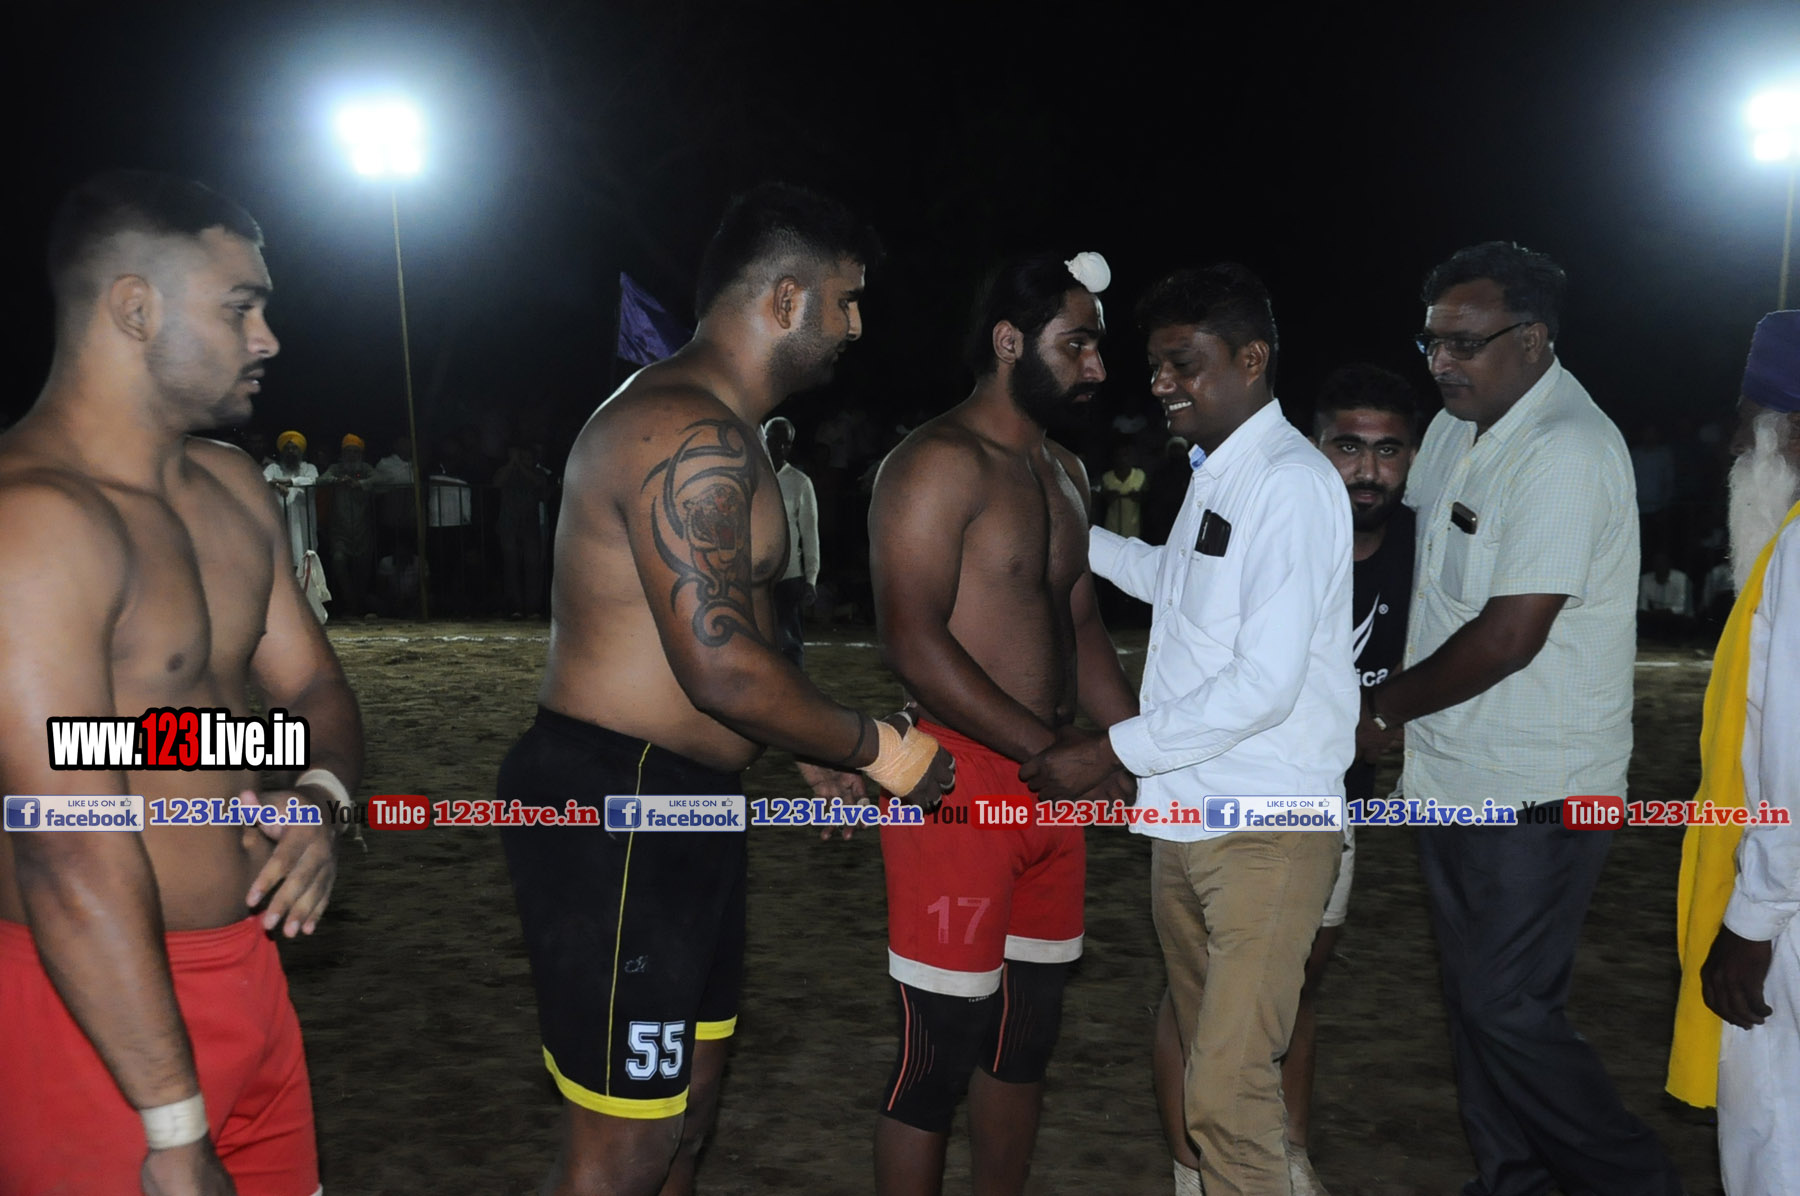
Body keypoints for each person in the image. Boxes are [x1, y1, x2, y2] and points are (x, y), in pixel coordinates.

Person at [495, 183, 954, 1196]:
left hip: (689, 799)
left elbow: (738, 639)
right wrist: (878, 746)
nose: (857, 327)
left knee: (687, 1115)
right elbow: (718, 664)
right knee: (624, 1146)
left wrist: (809, 741)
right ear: (786, 298)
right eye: (846, 299)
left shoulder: (725, 431)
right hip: (619, 801)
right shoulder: (680, 426)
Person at [0, 170, 362, 1195]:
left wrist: (320, 798)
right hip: (91, 1008)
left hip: (249, 974)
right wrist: (172, 1122)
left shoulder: (234, 487)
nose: (268, 339)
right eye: (240, 306)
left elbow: (310, 691)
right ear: (135, 307)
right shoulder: (32, 522)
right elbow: (65, 841)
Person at [1023, 263, 1356, 1196]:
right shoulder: (1220, 476)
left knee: (1226, 1096)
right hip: (1189, 821)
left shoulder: (1289, 483)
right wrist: (1060, 522)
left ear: (1252, 359)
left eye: (1184, 362)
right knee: (1213, 1065)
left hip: (1264, 829)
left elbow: (1263, 686)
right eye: (1157, 365)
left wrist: (1106, 751)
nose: (1162, 382)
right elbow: (1169, 580)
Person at [1357, 241, 1682, 1195]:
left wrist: (1380, 711)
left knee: (1507, 1007)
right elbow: (1406, 550)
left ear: (1533, 340)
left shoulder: (1566, 449)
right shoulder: (1457, 429)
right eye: (1431, 342)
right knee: (1477, 1005)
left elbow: (1509, 636)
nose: (1440, 362)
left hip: (1539, 790)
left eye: (1464, 343)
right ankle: (1512, 1183)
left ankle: (1636, 1183)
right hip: (1453, 771)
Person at [867, 251, 1138, 1196]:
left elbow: (1080, 626)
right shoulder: (934, 463)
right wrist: (1054, 750)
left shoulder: (1065, 469)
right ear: (1009, 341)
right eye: (1078, 346)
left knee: (1027, 1040)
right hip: (959, 782)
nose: (1097, 367)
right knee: (938, 1053)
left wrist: (1133, 747)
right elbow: (911, 641)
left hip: (1054, 785)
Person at [1669, 311, 1800, 1195]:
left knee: (1775, 1136)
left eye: (1749, 423)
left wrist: (1752, 926)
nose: (1735, 449)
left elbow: (1792, 759)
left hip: (1789, 914)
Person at [762, 415, 820, 665]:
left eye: (785, 442)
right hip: (755, 576)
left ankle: (794, 685)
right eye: (773, 440)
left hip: (789, 575)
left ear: (790, 445)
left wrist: (810, 578)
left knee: (790, 644)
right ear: (764, 439)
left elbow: (809, 532)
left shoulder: (800, 482)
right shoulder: (751, 475)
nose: (779, 446)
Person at [493, 441, 554, 619]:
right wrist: (512, 464)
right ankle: (515, 607)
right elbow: (497, 483)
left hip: (530, 525)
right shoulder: (506, 472)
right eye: (521, 457)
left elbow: (538, 484)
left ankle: (533, 608)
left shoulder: (538, 473)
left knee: (532, 566)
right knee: (511, 566)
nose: (523, 461)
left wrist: (519, 464)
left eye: (527, 458)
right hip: (508, 524)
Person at [321, 433, 377, 617]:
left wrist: (359, 484)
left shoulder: (366, 469)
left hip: (363, 530)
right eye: (348, 451)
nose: (351, 455)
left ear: (361, 454)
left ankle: (358, 607)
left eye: (355, 451)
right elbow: (320, 479)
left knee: (363, 570)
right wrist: (337, 480)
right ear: (342, 453)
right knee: (339, 560)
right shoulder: (336, 469)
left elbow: (380, 479)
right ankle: (350, 603)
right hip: (340, 531)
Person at [263, 430, 319, 565]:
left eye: (294, 448)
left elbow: (312, 480)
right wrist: (277, 485)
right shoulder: (273, 468)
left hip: (303, 524)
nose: (291, 451)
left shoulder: (309, 468)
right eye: (287, 448)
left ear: (301, 451)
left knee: (304, 561)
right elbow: (262, 479)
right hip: (280, 523)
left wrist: (290, 482)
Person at [1638, 548, 1696, 639]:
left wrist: (1665, 612)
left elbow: (1683, 607)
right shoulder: (1645, 580)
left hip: (1677, 617)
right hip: (1654, 616)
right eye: (1656, 563)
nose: (1659, 566)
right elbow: (1642, 607)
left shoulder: (1682, 579)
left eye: (1662, 563)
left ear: (1669, 564)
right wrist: (1650, 613)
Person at [1098, 441, 1147, 538]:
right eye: (1118, 455)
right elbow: (1100, 503)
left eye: (1125, 455)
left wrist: (1140, 497)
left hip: (1133, 529)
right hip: (1111, 529)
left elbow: (1148, 499)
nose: (1122, 459)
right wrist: (1107, 498)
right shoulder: (1106, 477)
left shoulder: (1140, 475)